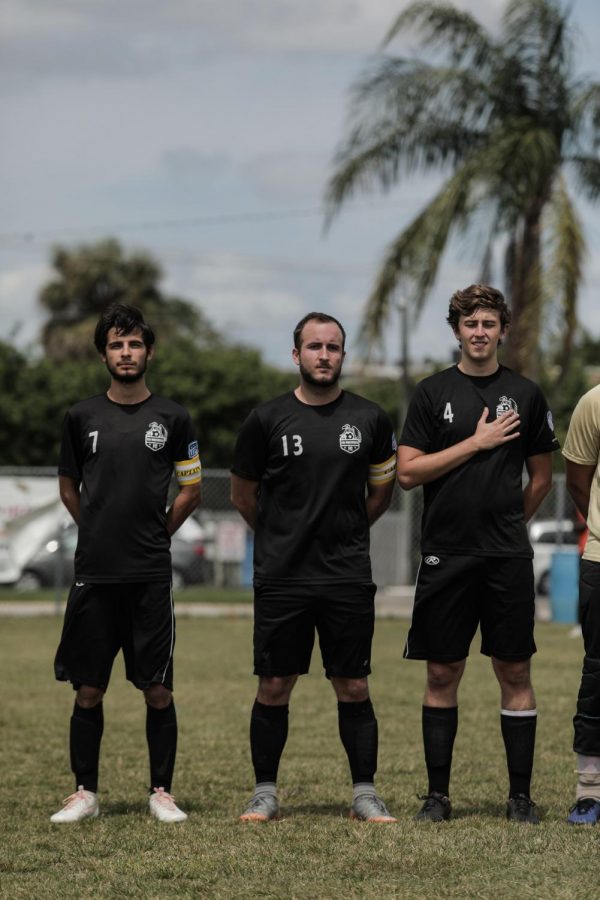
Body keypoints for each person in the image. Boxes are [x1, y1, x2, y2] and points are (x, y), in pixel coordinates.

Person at [397, 284, 559, 824]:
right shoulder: (430, 392)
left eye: (489, 324)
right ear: (456, 330)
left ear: (502, 330)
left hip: (506, 555)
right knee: (443, 673)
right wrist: (475, 442)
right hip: (446, 552)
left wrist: (510, 523)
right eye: (470, 324)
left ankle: (520, 798)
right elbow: (406, 473)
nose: (480, 333)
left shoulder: (527, 394)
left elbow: (540, 477)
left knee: (514, 670)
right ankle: (437, 797)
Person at [230, 312, 397, 823]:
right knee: (274, 685)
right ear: (295, 353)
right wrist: (284, 535)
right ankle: (265, 794)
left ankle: (365, 795)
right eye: (314, 346)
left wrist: (341, 531)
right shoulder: (265, 419)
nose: (324, 355)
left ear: (343, 355)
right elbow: (243, 495)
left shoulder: (371, 419)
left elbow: (380, 493)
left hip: (346, 574)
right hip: (283, 575)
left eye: (333, 347)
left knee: (353, 685)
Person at [50, 304, 201, 824]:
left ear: (149, 351)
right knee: (89, 688)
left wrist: (160, 532)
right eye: (117, 345)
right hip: (96, 572)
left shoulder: (174, 418)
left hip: (150, 575)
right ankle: (84, 793)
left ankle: (161, 792)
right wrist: (92, 526)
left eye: (135, 344)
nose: (127, 352)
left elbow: (193, 488)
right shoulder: (80, 416)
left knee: (157, 689)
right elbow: (69, 486)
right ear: (103, 354)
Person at [562, 385, 600, 824]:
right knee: (597, 678)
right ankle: (590, 793)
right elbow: (578, 481)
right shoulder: (592, 401)